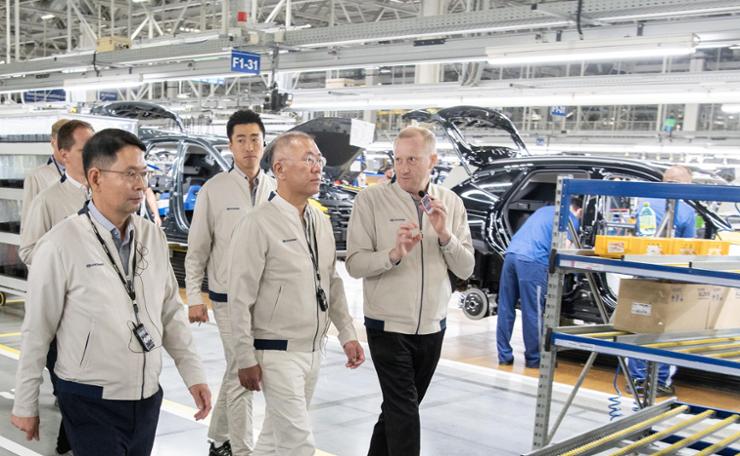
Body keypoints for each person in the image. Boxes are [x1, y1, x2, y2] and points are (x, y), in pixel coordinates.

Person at [11, 128, 212, 456]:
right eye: (130, 173)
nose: (140, 184)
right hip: (89, 397)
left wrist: (194, 374)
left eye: (143, 173)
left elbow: (170, 312)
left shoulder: (152, 237)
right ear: (96, 177)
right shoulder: (60, 244)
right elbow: (37, 330)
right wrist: (26, 403)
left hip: (146, 397)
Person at [229, 131, 364, 456]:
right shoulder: (258, 223)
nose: (317, 167)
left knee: (274, 440)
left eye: (319, 160)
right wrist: (245, 357)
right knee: (299, 446)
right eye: (308, 160)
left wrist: (347, 333)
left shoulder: (318, 220)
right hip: (276, 353)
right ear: (280, 169)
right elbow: (239, 297)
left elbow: (331, 281)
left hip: (312, 350)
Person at [346, 126, 474, 456]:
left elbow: (466, 268)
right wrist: (393, 254)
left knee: (397, 409)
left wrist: (445, 235)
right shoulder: (370, 200)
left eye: (412, 159)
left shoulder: (451, 203)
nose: (403, 167)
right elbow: (355, 265)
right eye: (398, 159)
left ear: (432, 160)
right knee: (404, 411)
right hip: (387, 326)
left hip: (433, 326)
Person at [186, 109, 276, 456]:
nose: (249, 146)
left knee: (236, 368)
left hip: (264, 298)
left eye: (255, 138)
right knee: (243, 370)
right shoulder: (215, 189)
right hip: (225, 298)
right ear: (230, 145)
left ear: (264, 142)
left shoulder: (274, 188)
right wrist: (195, 296)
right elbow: (198, 249)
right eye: (241, 139)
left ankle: (217, 437)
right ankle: (241, 450)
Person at [16, 119, 94, 455]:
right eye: (84, 148)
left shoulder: (105, 193)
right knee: (67, 386)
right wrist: (64, 262)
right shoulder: (48, 198)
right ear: (63, 154)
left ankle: (73, 439)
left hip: (98, 313)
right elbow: (28, 249)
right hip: (61, 311)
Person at [628, 165, 696, 395]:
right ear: (683, 183)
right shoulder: (686, 210)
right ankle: (658, 381)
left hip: (642, 272)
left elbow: (639, 237)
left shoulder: (645, 203)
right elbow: (689, 249)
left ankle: (637, 380)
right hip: (669, 277)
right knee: (665, 329)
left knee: (640, 325)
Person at [496, 197, 583, 369]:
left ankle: (504, 356)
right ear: (579, 210)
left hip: (511, 255)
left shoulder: (542, 210)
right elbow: (565, 249)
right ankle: (535, 359)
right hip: (532, 261)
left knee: (506, 307)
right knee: (533, 311)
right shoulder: (570, 218)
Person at [19, 120, 94, 265]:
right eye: (84, 151)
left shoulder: (106, 194)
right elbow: (28, 250)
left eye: (95, 149)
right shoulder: (43, 196)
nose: (93, 156)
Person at [21, 118, 69, 227]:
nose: (66, 149)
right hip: (51, 239)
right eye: (63, 143)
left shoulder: (85, 174)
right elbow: (28, 220)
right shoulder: (36, 177)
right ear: (53, 143)